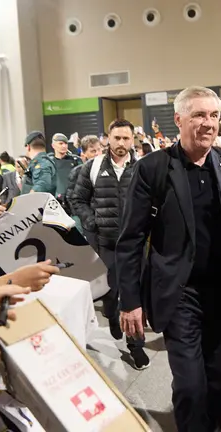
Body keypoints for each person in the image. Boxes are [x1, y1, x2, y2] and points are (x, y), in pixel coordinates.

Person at [115, 86, 221, 431]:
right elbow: (130, 239)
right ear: (179, 120)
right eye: (199, 115)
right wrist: (130, 300)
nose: (209, 123)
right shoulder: (152, 168)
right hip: (178, 292)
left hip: (220, 290)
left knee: (217, 380)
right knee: (190, 385)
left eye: (214, 115)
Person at [70, 120, 150, 369]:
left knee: (134, 295)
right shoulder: (92, 167)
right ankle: (112, 315)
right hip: (106, 243)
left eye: (126, 138)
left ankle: (136, 345)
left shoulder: (142, 167)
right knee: (111, 291)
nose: (121, 143)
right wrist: (91, 221)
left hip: (135, 245)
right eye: (117, 138)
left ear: (132, 140)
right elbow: (77, 199)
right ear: (108, 139)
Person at [66, 135, 102, 238]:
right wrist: (89, 220)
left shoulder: (109, 170)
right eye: (93, 151)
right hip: (87, 225)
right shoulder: (77, 172)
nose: (97, 153)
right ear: (84, 153)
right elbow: (72, 200)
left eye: (99, 150)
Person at [49, 132, 82, 206]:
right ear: (53, 145)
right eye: (60, 143)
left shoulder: (75, 160)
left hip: (73, 199)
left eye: (65, 143)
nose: (64, 146)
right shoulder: (49, 162)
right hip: (55, 201)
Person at [21, 131, 56, 195]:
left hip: (37, 201)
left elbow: (42, 184)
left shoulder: (42, 163)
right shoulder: (40, 162)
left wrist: (28, 198)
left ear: (28, 147)